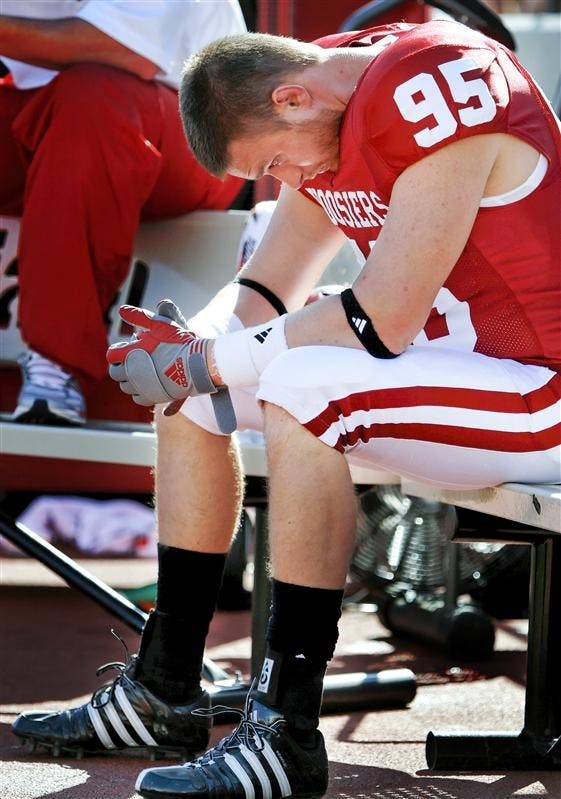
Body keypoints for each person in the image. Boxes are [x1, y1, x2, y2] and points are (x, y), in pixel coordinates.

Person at [13, 17, 561, 799]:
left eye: (273, 161)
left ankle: (284, 729)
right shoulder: (323, 100)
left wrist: (207, 360)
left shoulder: (428, 81)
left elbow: (382, 316)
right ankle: (164, 685)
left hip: (539, 381)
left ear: (293, 97)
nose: (286, 176)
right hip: (461, 364)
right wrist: (185, 352)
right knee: (195, 400)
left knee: (300, 388)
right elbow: (268, 290)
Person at [0, 0, 246, 425]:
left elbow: (122, 49)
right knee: (84, 100)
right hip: (45, 116)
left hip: (200, 130)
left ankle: (56, 363)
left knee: (93, 94)